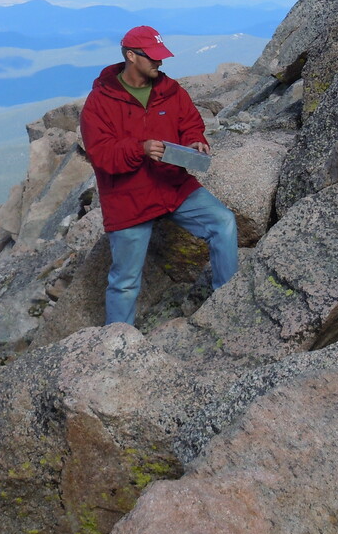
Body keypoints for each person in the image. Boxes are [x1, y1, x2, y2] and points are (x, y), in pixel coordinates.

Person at [79, 25, 239, 325]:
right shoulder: (99, 103)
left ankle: (225, 304)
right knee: (125, 282)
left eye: (160, 56)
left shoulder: (170, 90)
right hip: (128, 198)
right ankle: (116, 345)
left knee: (223, 222)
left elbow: (190, 122)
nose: (159, 62)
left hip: (171, 186)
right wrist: (139, 148)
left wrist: (195, 140)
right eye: (152, 57)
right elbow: (101, 155)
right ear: (130, 55)